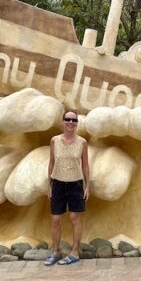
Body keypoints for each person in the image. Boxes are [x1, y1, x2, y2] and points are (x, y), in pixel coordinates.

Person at [44, 111, 90, 266]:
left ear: (76, 123)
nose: (71, 122)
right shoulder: (54, 141)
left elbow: (85, 165)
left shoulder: (82, 142)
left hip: (76, 183)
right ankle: (55, 252)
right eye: (68, 119)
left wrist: (87, 186)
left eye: (74, 120)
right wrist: (49, 185)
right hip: (57, 182)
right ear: (63, 122)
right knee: (56, 219)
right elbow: (51, 162)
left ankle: (75, 252)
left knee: (74, 218)